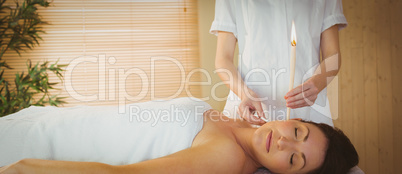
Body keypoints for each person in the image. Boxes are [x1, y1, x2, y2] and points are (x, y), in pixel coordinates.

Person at [0, 98, 358, 174]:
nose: (283, 142)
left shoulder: (228, 159)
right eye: (296, 132)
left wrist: (26, 170)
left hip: (41, 154)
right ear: (291, 119)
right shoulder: (238, 124)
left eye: (295, 159)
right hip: (51, 123)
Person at [211, 0, 347, 125]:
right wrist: (244, 94)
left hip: (307, 108)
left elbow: (332, 55)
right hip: (251, 106)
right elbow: (223, 59)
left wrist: (317, 82)